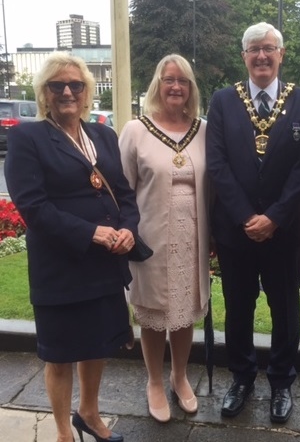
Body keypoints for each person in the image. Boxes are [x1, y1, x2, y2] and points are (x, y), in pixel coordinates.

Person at [4, 52, 140, 442]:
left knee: (97, 344)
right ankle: (64, 432)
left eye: (75, 85)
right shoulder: (28, 137)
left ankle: (90, 414)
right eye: (57, 85)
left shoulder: (103, 135)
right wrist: (91, 233)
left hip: (103, 264)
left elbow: (125, 195)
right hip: (60, 266)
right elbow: (33, 207)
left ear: (86, 93)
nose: (67, 92)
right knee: (61, 353)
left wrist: (128, 228)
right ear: (44, 93)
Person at [206, 22, 300, 423]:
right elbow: (217, 163)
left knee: (285, 307)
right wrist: (246, 216)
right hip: (236, 230)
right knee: (238, 306)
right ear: (244, 56)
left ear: (281, 54)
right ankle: (241, 377)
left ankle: (282, 382)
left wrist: (273, 217)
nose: (261, 56)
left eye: (269, 48)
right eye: (254, 48)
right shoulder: (222, 100)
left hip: (285, 230)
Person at [118, 54, 210, 423]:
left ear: (191, 89)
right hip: (152, 237)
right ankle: (155, 381)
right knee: (154, 312)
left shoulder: (203, 129)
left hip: (193, 236)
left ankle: (179, 376)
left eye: (183, 81)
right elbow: (123, 191)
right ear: (158, 84)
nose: (176, 87)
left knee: (185, 312)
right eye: (169, 80)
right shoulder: (136, 130)